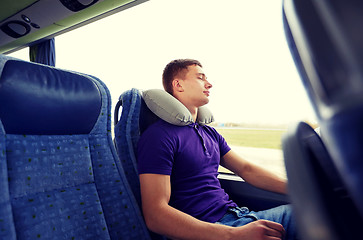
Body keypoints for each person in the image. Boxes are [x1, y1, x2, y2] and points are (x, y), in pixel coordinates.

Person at [138, 59, 297, 240]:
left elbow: (247, 170)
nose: (209, 84)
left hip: (238, 216)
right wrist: (235, 235)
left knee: (317, 208)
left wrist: (299, 189)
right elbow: (155, 215)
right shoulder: (159, 136)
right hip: (214, 228)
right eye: (200, 77)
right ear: (178, 85)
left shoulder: (210, 133)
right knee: (313, 214)